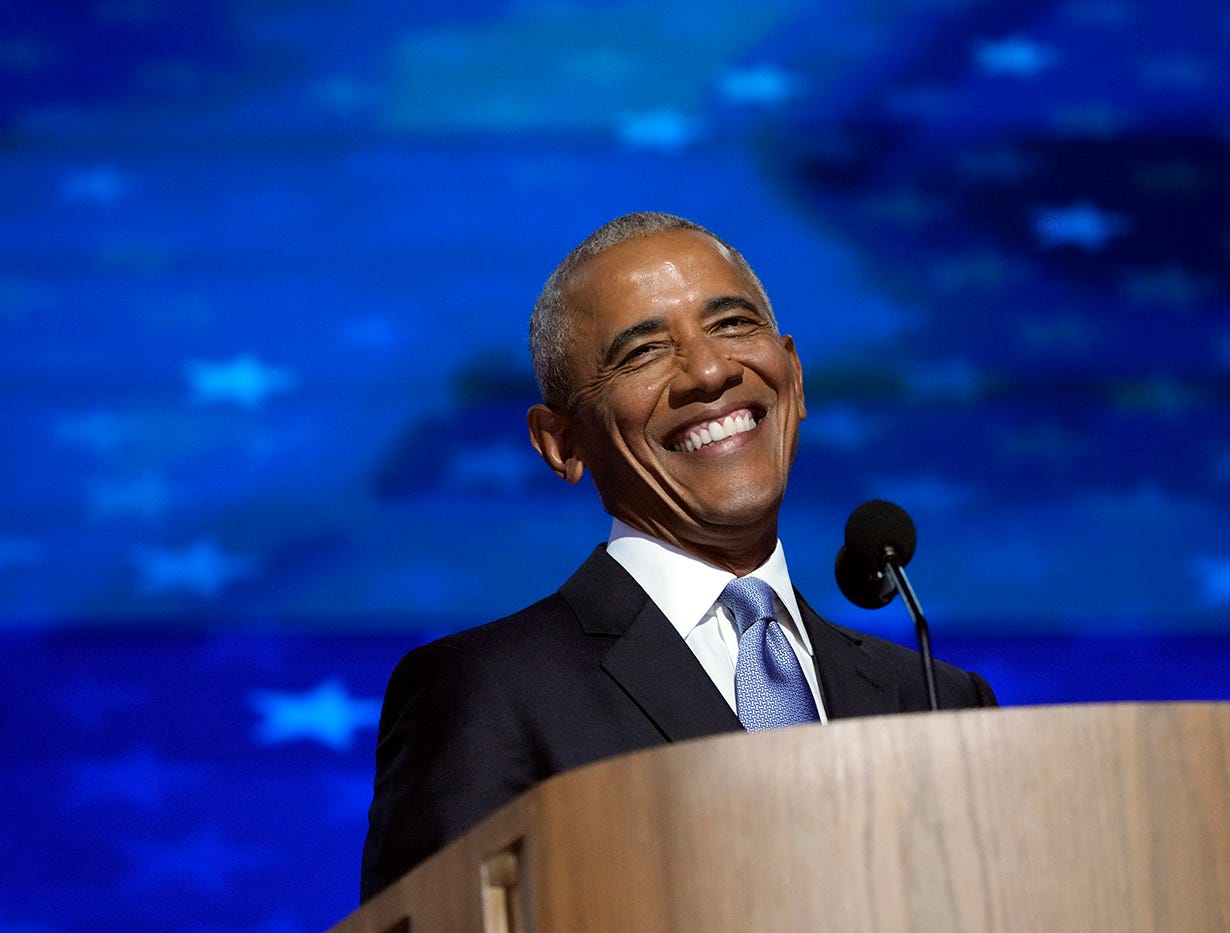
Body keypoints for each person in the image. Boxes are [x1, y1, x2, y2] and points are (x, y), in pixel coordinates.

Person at [359, 211, 997, 901]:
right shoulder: (485, 693)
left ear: (795, 376)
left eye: (731, 325)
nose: (710, 369)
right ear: (562, 441)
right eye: (642, 353)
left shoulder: (935, 700)